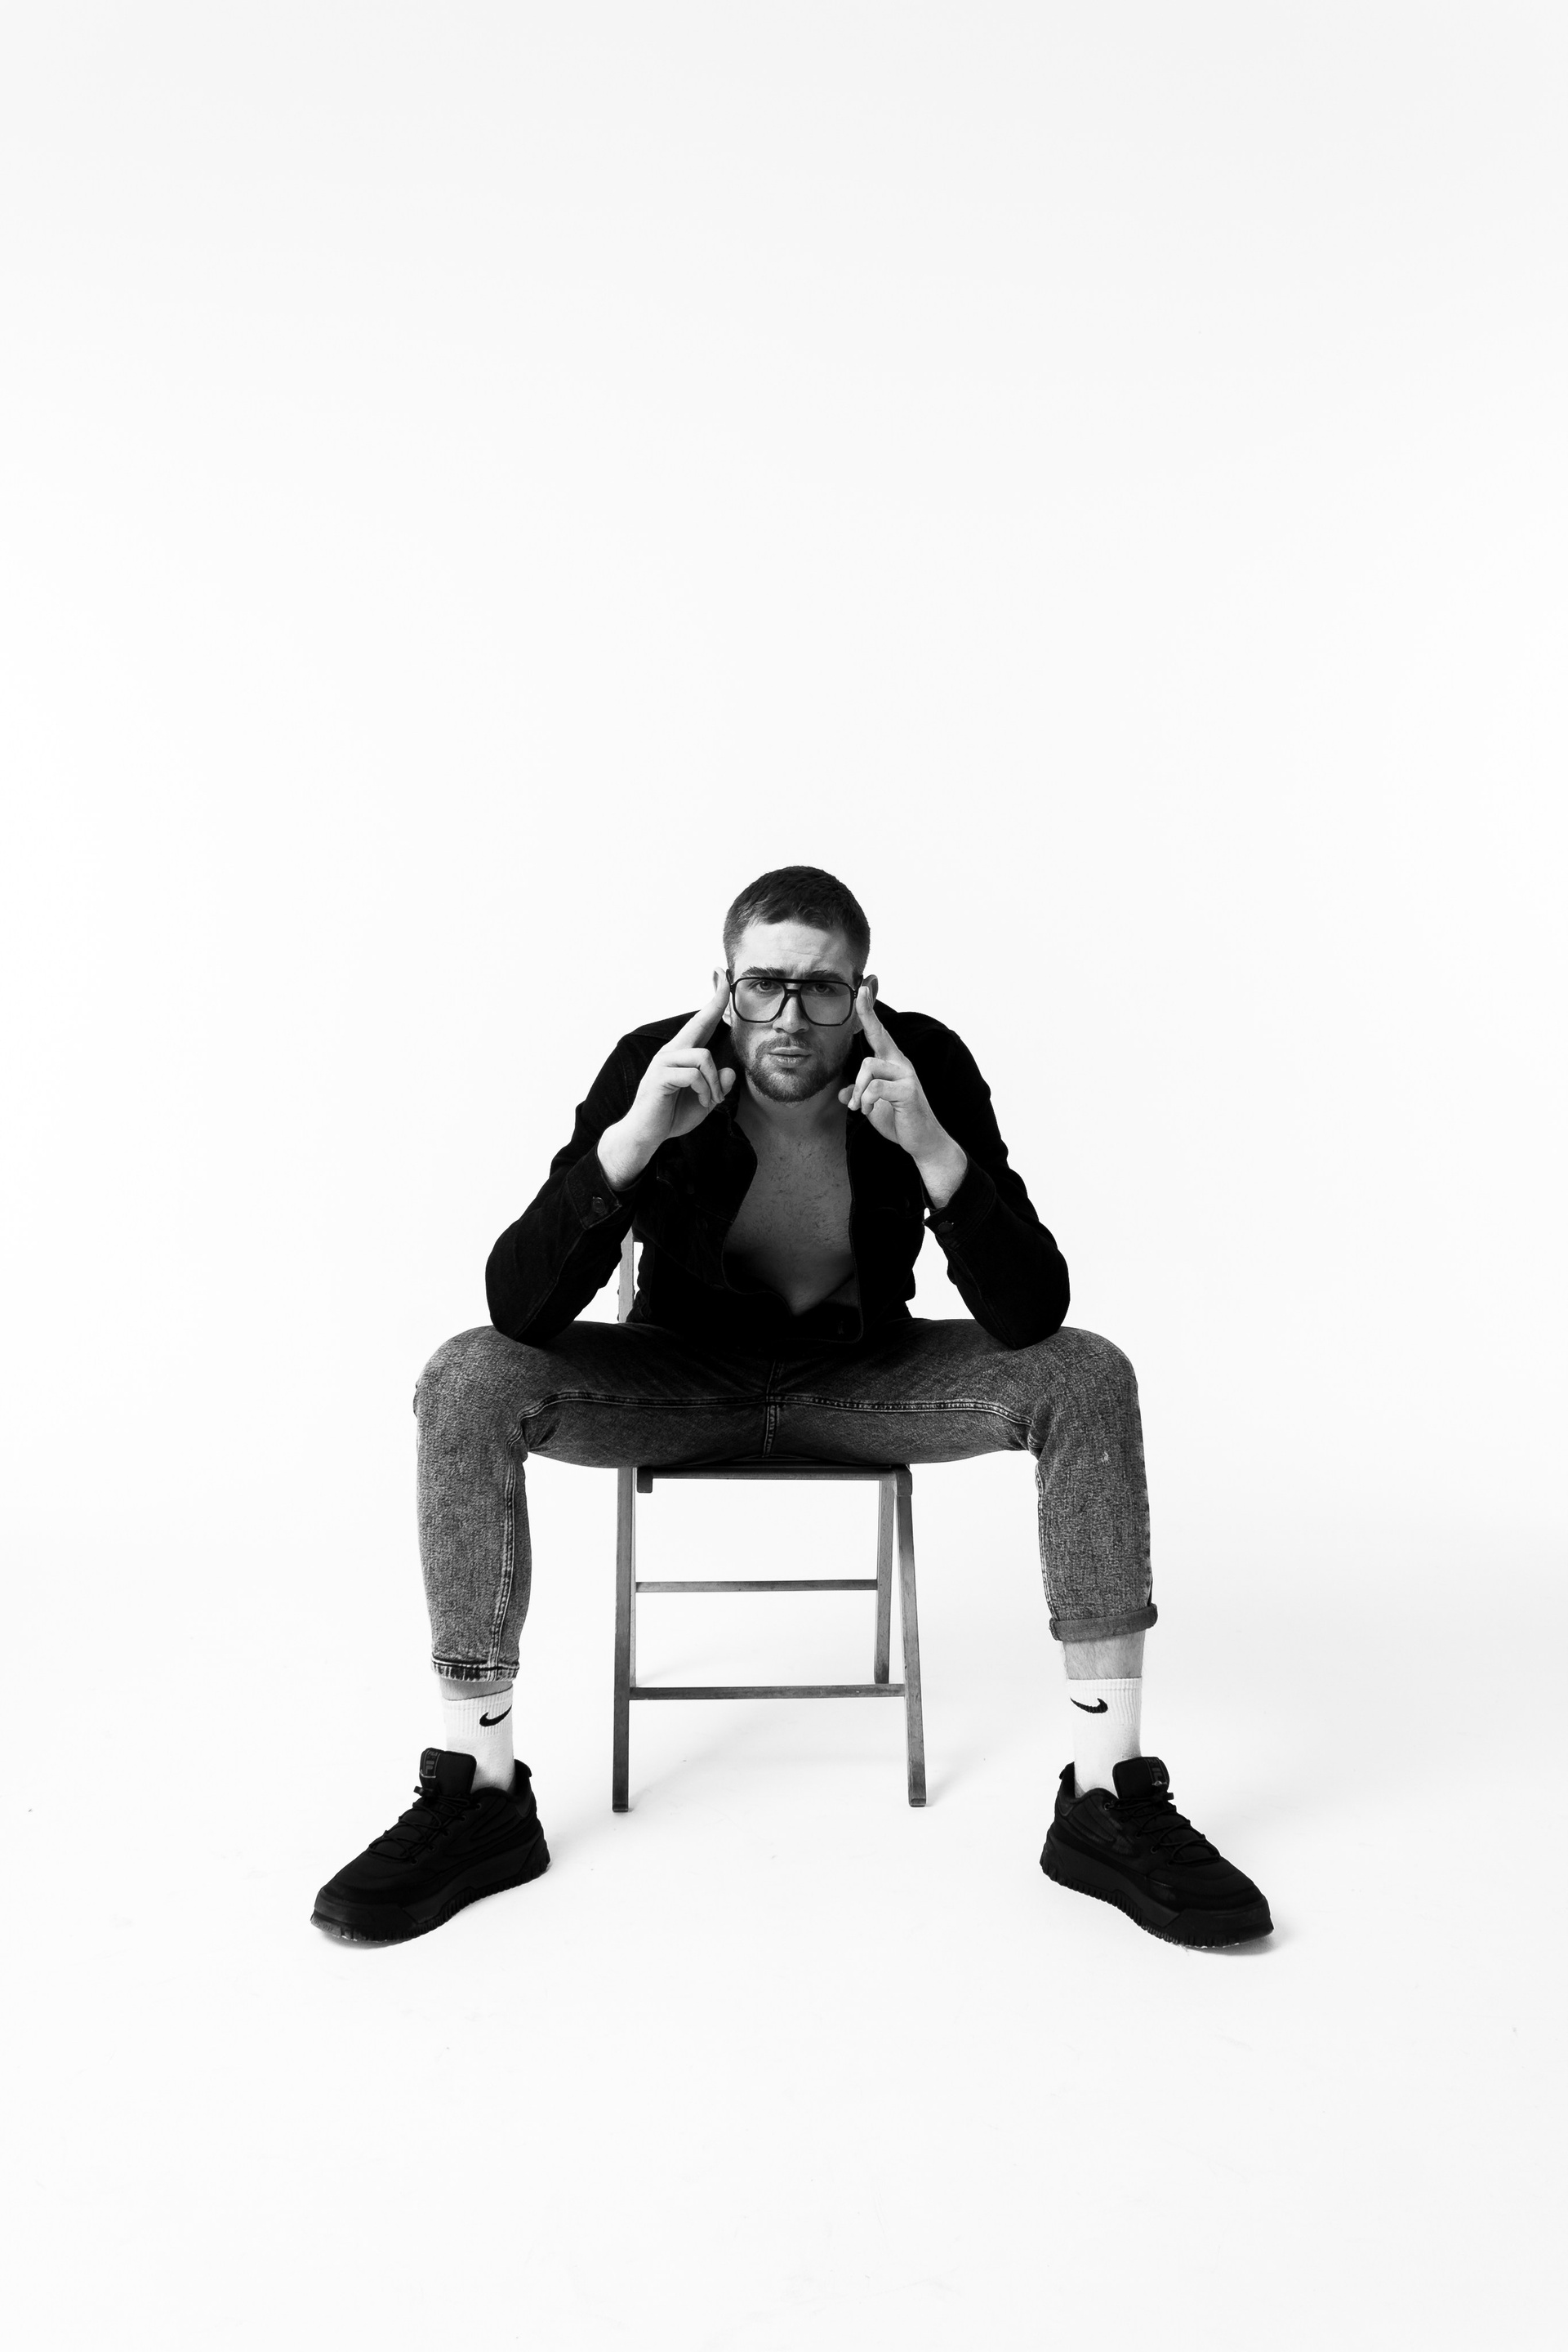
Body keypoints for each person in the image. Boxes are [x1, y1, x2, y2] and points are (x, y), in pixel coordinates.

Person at [312, 865, 1271, 1949]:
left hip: (866, 1382)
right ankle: (478, 1790)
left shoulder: (921, 1067)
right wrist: (632, 1142)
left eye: (823, 989)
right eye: (763, 984)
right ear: (725, 985)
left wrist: (935, 1152)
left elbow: (1031, 1311)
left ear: (863, 994)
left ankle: (1108, 1794)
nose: (789, 1016)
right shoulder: (658, 1064)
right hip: (679, 1380)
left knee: (1087, 1373)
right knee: (467, 1374)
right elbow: (519, 1308)